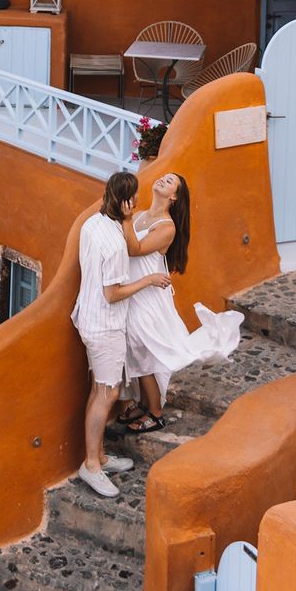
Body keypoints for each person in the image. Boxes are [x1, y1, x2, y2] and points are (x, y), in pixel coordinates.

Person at [72, 170, 173, 498]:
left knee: (98, 388)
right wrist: (149, 280)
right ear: (128, 202)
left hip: (88, 317)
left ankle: (100, 456)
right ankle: (91, 465)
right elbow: (113, 293)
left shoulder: (93, 223)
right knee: (108, 393)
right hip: (106, 325)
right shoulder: (116, 244)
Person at [116, 170, 242, 433]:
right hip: (135, 291)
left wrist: (125, 217)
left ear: (174, 197)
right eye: (164, 176)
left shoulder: (167, 227)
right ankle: (144, 403)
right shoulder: (140, 216)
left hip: (148, 297)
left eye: (170, 181)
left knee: (142, 348)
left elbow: (134, 249)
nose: (163, 179)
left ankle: (155, 413)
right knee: (136, 347)